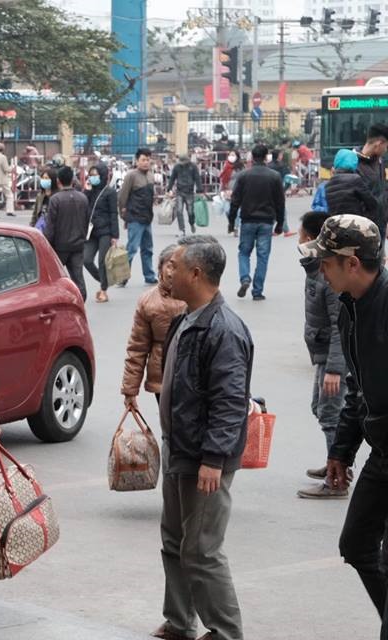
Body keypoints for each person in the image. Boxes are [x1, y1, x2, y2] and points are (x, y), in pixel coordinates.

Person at [152, 235, 252, 640]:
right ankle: (179, 621)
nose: (167, 271)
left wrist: (213, 458)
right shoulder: (185, 317)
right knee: (174, 541)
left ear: (196, 273)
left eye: (175, 265)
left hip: (205, 458)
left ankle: (226, 632)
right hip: (179, 449)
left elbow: (229, 401)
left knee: (202, 550)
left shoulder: (224, 328)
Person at [298, 215, 388, 634]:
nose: (321, 270)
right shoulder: (351, 308)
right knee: (355, 545)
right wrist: (341, 449)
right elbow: (358, 388)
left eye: (326, 262)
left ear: (352, 263)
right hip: (382, 452)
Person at [296, 211, 348, 499]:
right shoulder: (316, 268)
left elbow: (340, 326)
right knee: (321, 408)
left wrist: (334, 369)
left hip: (331, 357)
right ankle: (336, 462)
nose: (298, 238)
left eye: (302, 234)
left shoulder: (329, 277)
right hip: (322, 353)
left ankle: (336, 477)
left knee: (330, 412)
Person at [121, 245, 187, 408]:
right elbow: (137, 348)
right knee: (170, 426)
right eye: (169, 266)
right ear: (160, 268)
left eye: (178, 267)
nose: (172, 273)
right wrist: (130, 390)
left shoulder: (193, 297)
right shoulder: (148, 302)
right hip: (162, 376)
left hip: (191, 376)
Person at [228, 144, 285, 301]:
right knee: (263, 256)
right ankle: (257, 291)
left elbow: (235, 200)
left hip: (247, 220)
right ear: (266, 157)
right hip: (266, 221)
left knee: (244, 252)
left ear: (252, 157)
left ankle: (245, 278)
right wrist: (280, 224)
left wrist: (231, 222)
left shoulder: (244, 176)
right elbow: (280, 202)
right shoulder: (274, 176)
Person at [43, 166, 92, 300]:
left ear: (58, 181)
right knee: (78, 277)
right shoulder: (83, 198)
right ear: (73, 180)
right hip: (77, 245)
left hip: (60, 246)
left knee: (55, 278)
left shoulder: (55, 199)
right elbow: (86, 221)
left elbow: (51, 226)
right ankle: (81, 303)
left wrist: (46, 243)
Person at [118, 148, 158, 285]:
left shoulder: (151, 176)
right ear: (137, 161)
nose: (146, 162)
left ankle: (149, 276)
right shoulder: (131, 176)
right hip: (135, 218)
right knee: (132, 249)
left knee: (148, 249)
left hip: (147, 218)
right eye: (143, 160)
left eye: (148, 159)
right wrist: (124, 216)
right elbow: (122, 196)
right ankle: (123, 277)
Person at [83, 163, 119, 302]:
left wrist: (115, 236)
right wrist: (87, 191)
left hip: (105, 231)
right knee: (86, 260)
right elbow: (84, 206)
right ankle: (103, 279)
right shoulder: (89, 191)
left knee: (102, 260)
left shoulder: (109, 192)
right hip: (91, 232)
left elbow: (113, 214)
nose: (92, 178)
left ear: (102, 175)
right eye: (90, 175)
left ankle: (103, 290)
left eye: (95, 175)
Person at [325, 148, 378, 221]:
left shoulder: (328, 185)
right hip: (354, 224)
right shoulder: (355, 179)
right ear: (354, 162)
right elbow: (372, 203)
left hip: (337, 225)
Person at [355, 124, 388, 241]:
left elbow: (384, 192)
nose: (386, 150)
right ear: (378, 144)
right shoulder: (353, 163)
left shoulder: (379, 162)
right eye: (386, 146)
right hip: (363, 230)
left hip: (380, 227)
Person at [167, 154, 203, 236]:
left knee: (190, 211)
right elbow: (172, 178)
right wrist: (169, 188)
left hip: (189, 191)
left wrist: (199, 189)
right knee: (179, 211)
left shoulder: (193, 167)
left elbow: (197, 178)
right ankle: (182, 229)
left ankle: (191, 223)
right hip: (179, 191)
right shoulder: (177, 167)